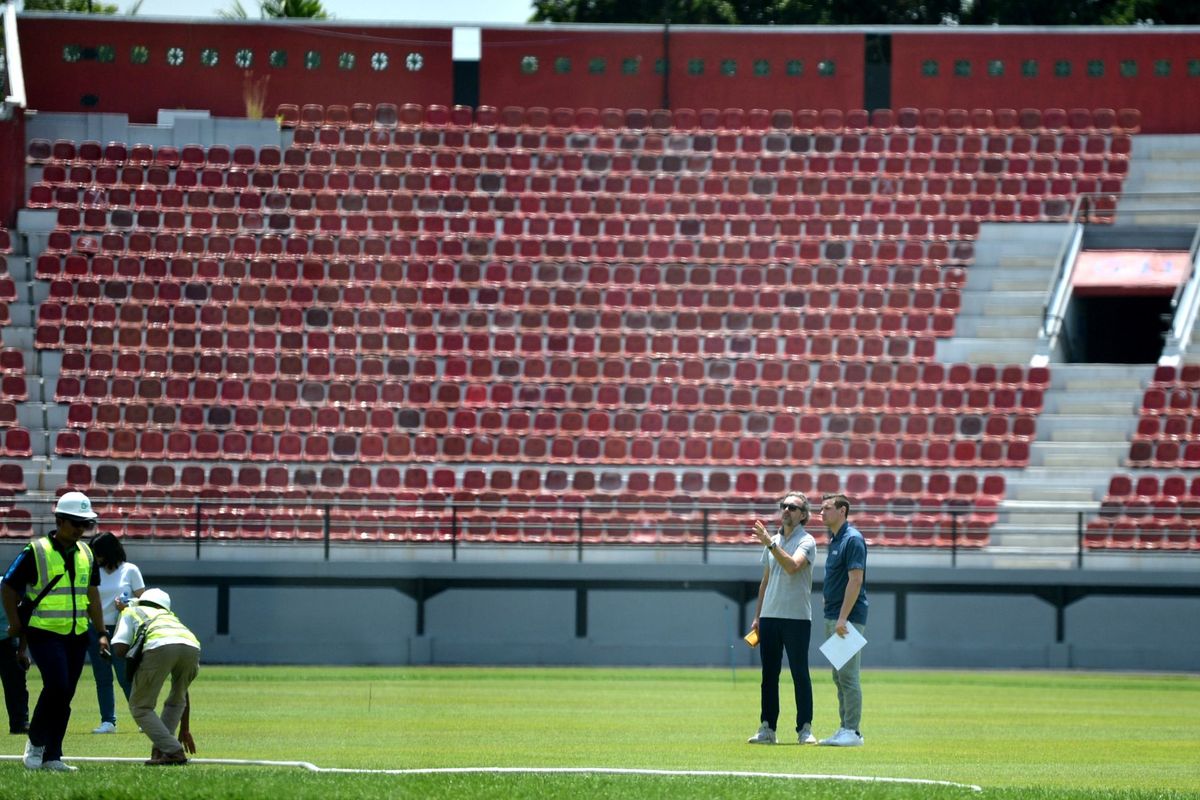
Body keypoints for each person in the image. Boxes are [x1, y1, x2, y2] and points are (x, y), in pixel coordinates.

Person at [0, 491, 108, 772]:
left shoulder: (87, 553)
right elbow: (9, 587)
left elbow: (92, 595)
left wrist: (101, 632)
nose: (81, 529)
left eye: (85, 524)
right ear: (59, 521)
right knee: (57, 686)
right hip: (43, 631)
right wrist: (14, 624)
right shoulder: (35, 551)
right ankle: (35, 743)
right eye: (75, 523)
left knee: (66, 694)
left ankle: (53, 756)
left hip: (76, 634)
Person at [746, 492, 818, 745]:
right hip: (770, 616)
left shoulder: (806, 541)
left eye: (793, 507)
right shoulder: (773, 540)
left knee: (800, 673)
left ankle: (805, 729)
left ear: (803, 515)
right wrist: (757, 616)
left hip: (797, 617)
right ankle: (767, 728)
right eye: (784, 506)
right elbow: (765, 581)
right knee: (769, 675)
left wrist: (770, 543)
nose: (786, 510)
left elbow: (792, 567)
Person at [111, 587, 200, 766]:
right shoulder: (171, 618)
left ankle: (173, 751)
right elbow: (184, 693)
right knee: (177, 700)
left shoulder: (131, 611)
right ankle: (161, 751)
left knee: (140, 706)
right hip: (192, 646)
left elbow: (119, 648)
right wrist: (185, 727)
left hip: (159, 646)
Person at [817, 493, 869, 747]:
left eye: (827, 508)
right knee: (839, 676)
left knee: (848, 676)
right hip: (834, 614)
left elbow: (856, 580)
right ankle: (844, 727)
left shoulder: (853, 539)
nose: (821, 513)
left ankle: (853, 731)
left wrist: (843, 618)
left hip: (845, 617)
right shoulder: (835, 539)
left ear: (843, 511)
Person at [87, 531, 145, 734]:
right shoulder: (92, 569)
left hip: (122, 629)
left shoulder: (130, 570)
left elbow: (145, 600)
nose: (95, 557)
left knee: (125, 677)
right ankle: (108, 721)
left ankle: (143, 719)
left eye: (98, 552)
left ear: (109, 551)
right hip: (96, 628)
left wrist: (128, 605)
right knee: (102, 678)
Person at [0, 629, 29, 734]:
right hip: (7, 637)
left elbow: (21, 620)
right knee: (15, 684)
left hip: (6, 638)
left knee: (16, 684)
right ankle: (20, 723)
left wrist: (22, 650)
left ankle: (20, 724)